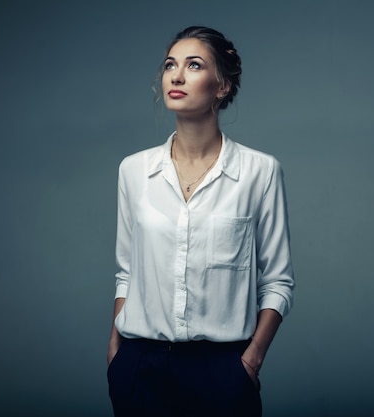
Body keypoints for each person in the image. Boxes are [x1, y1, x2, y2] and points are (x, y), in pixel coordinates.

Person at [106, 26, 294, 417]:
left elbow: (277, 281)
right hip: (140, 366)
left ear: (222, 85)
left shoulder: (260, 172)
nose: (177, 76)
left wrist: (251, 360)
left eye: (194, 65)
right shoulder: (133, 171)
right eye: (170, 65)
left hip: (222, 372)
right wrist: (116, 354)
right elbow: (127, 272)